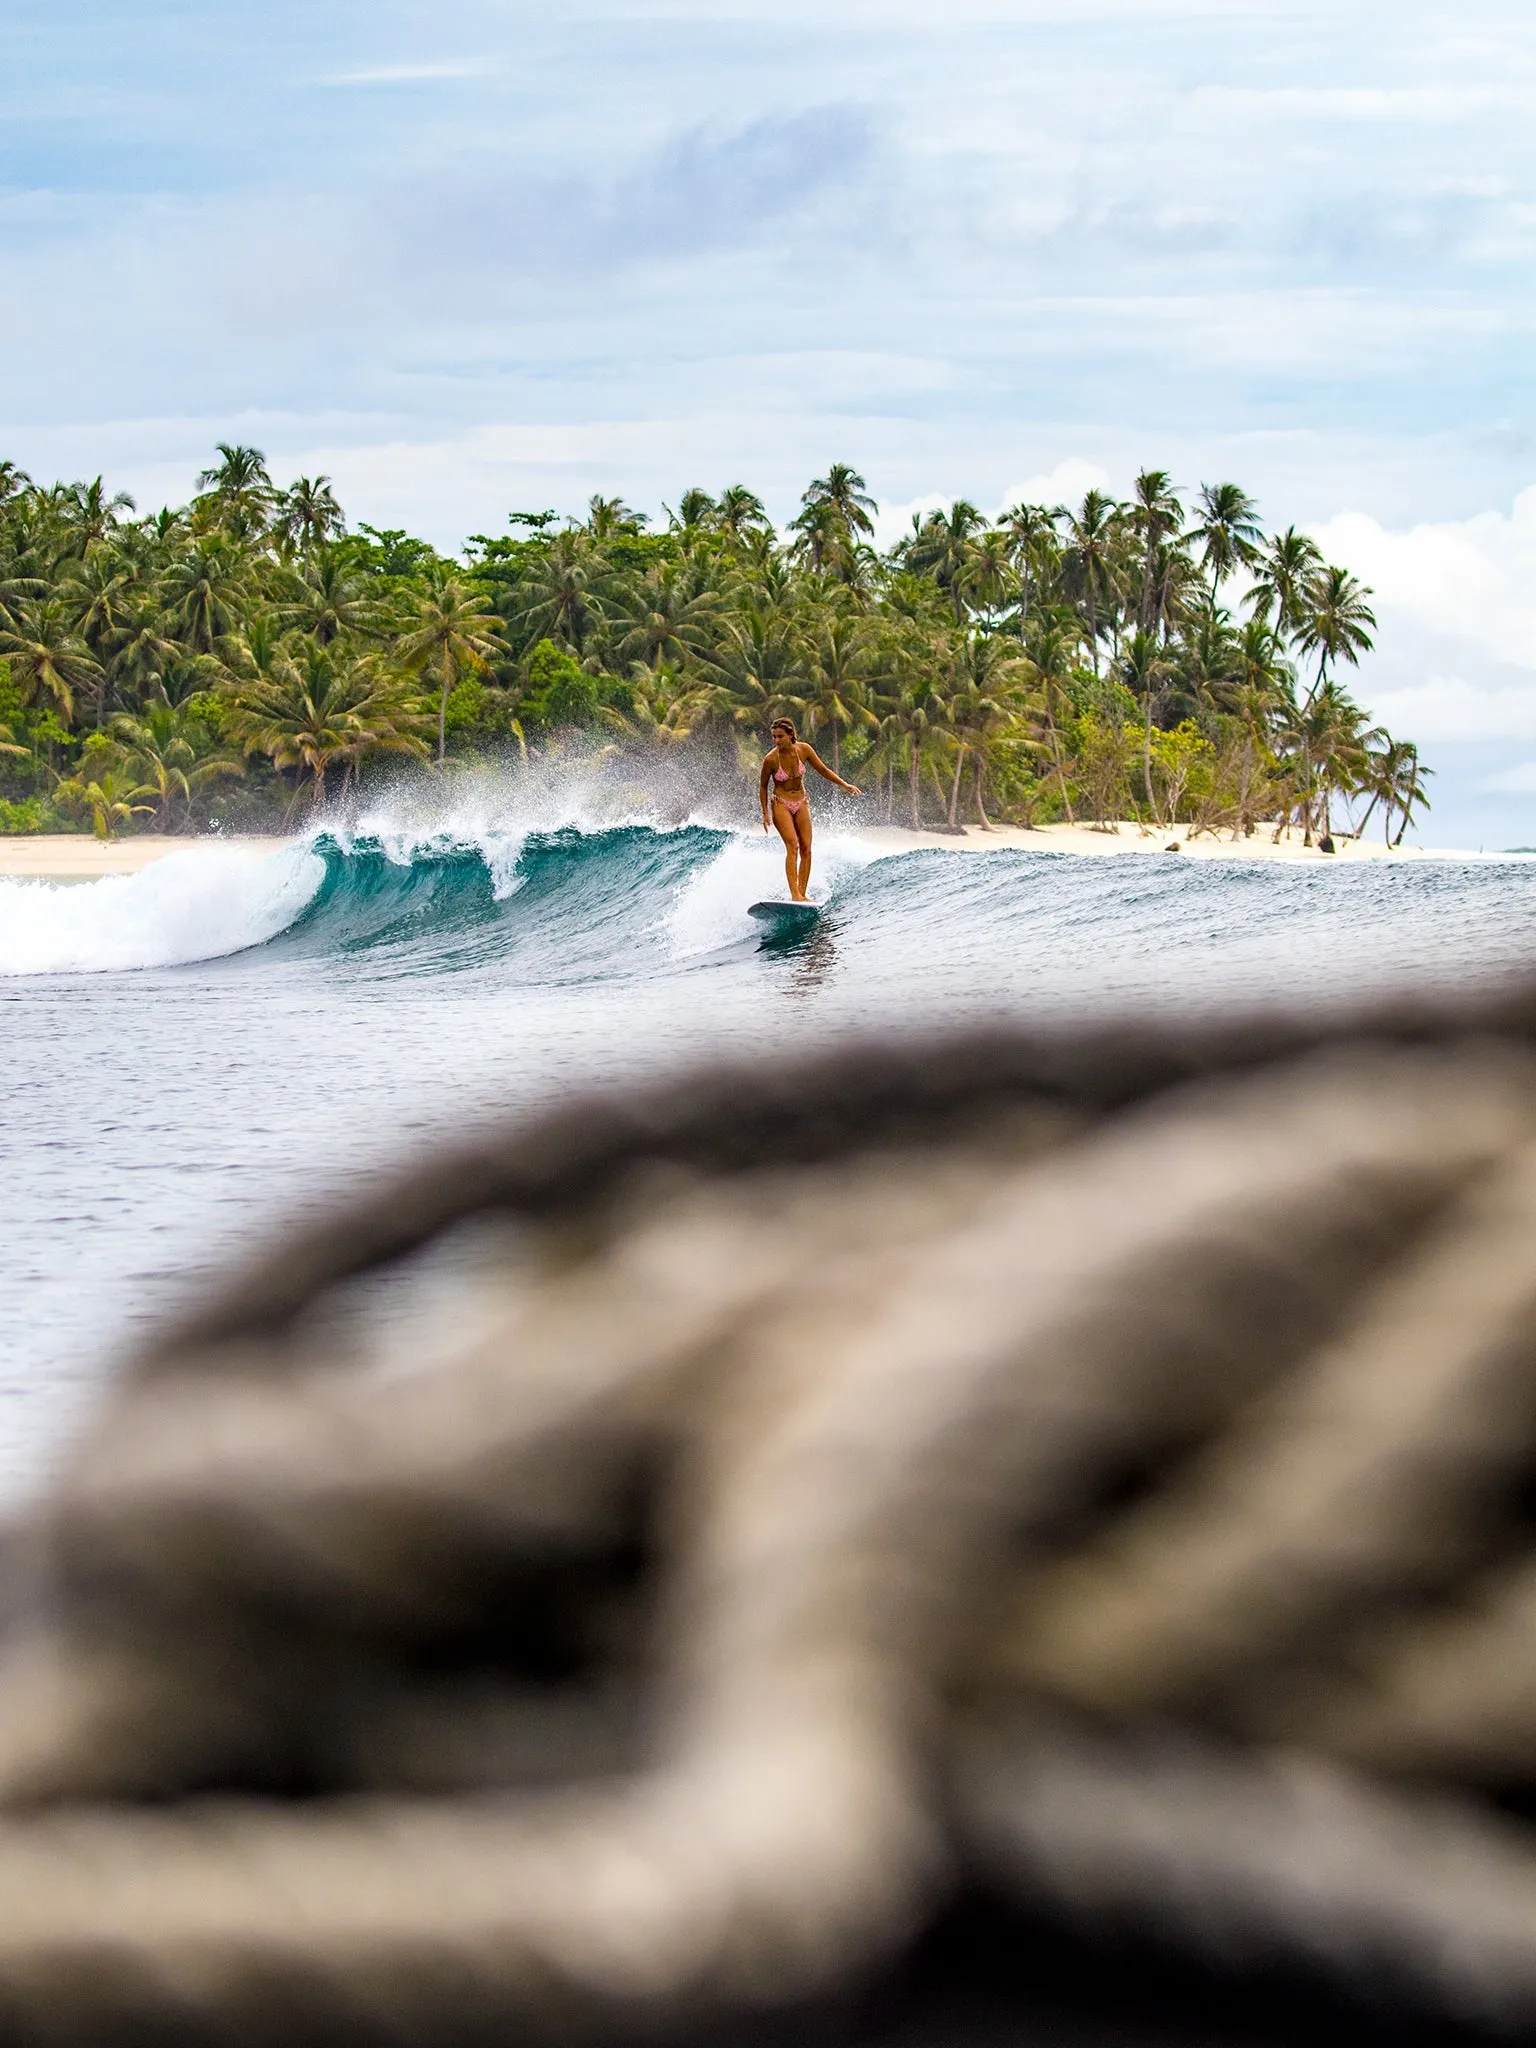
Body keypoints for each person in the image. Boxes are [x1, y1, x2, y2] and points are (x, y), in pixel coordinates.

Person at [759, 718, 861, 903]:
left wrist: (844, 785)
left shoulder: (804, 750)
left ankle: (801, 894)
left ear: (790, 734)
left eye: (780, 736)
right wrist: (765, 813)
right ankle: (794, 894)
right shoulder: (771, 759)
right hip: (780, 803)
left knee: (806, 848)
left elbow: (822, 769)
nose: (776, 740)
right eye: (774, 737)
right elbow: (763, 786)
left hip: (801, 801)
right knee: (793, 846)